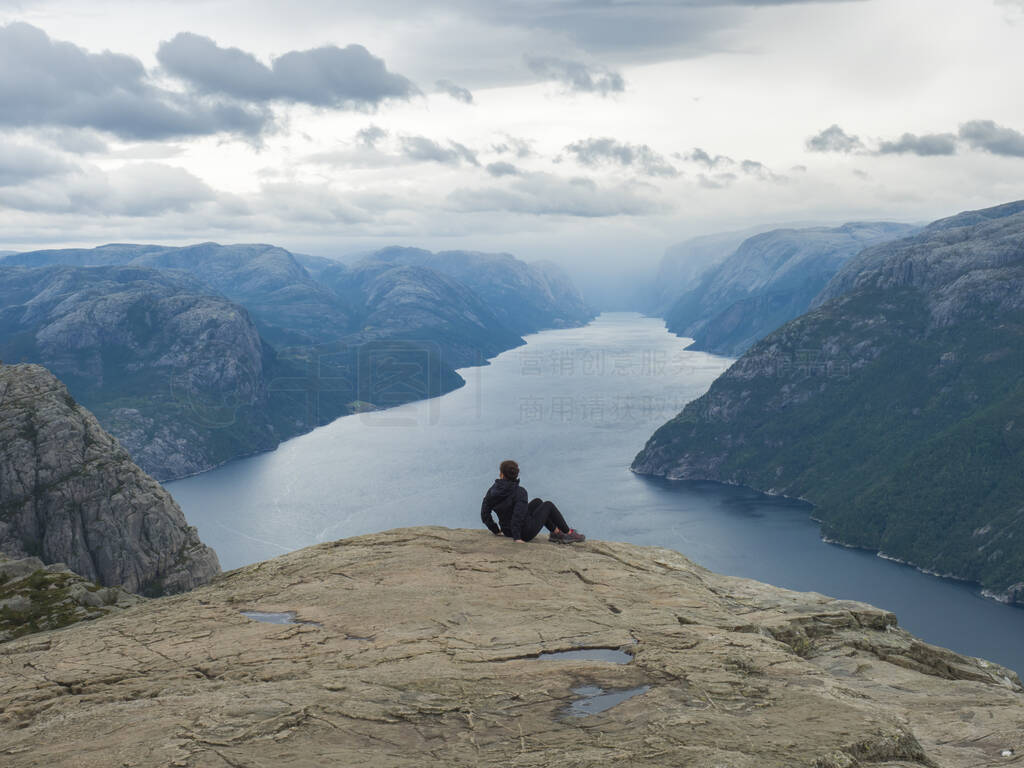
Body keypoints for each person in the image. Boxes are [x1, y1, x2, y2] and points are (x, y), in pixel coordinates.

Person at [480, 459, 585, 543]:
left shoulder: (493, 489)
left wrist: (495, 530)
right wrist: (517, 538)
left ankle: (556, 533)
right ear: (516, 475)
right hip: (524, 533)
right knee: (548, 505)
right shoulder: (520, 492)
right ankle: (568, 533)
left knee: (538, 502)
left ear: (501, 474)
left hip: (507, 530)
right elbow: (517, 515)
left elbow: (484, 513)